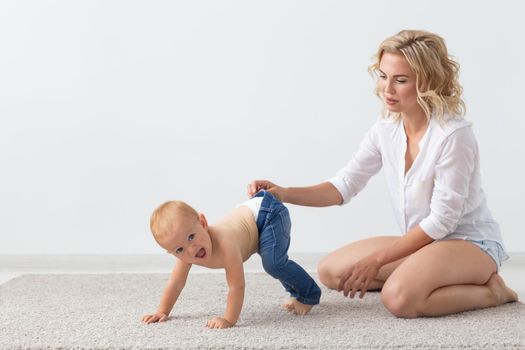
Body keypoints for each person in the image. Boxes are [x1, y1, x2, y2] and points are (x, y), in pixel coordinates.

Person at [247, 30, 518, 318]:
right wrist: (284, 193)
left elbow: (442, 221)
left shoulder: (453, 136)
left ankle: (493, 291)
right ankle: (424, 274)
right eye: (383, 76)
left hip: (468, 242)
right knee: (331, 271)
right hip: (425, 243)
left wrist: (376, 261)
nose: (387, 89)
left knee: (399, 299)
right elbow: (344, 185)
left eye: (400, 80)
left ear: (428, 82)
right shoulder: (386, 128)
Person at [141, 190, 321, 329]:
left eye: (191, 237)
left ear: (203, 223)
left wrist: (228, 319)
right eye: (179, 249)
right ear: (172, 253)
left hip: (268, 213)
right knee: (272, 260)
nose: (191, 249)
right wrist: (162, 311)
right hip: (251, 215)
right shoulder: (186, 255)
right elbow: (176, 282)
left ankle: (308, 295)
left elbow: (237, 285)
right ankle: (296, 293)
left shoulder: (225, 242)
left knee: (273, 263)